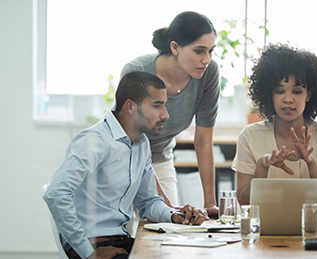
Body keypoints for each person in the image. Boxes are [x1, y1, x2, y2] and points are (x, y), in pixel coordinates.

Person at [43, 71, 206, 259]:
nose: (166, 115)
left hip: (122, 241)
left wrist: (174, 215)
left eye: (164, 105)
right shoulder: (94, 141)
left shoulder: (141, 143)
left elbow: (148, 202)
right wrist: (88, 253)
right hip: (93, 245)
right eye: (157, 106)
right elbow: (56, 193)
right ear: (130, 107)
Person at [120, 11, 219, 216]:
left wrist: (210, 203)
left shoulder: (208, 73)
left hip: (161, 158)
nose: (207, 59)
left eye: (211, 51)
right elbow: (132, 142)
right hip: (124, 159)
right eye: (199, 51)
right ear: (175, 47)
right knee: (126, 238)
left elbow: (203, 140)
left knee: (166, 235)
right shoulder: (137, 72)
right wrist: (166, 207)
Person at [232, 43, 317, 205]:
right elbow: (243, 204)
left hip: (315, 229)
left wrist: (312, 163)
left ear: (309, 94)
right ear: (270, 94)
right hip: (265, 229)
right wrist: (262, 167)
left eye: (297, 91)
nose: (288, 98)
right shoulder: (249, 136)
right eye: (280, 91)